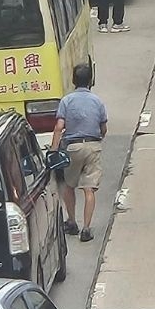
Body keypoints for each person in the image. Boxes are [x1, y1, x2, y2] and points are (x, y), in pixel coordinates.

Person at [51, 63, 108, 243]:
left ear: (73, 80)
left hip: (73, 147)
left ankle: (72, 222)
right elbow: (103, 128)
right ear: (90, 80)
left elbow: (59, 127)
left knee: (69, 185)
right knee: (89, 189)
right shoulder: (97, 101)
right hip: (92, 146)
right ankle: (86, 228)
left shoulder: (66, 101)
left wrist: (53, 150)